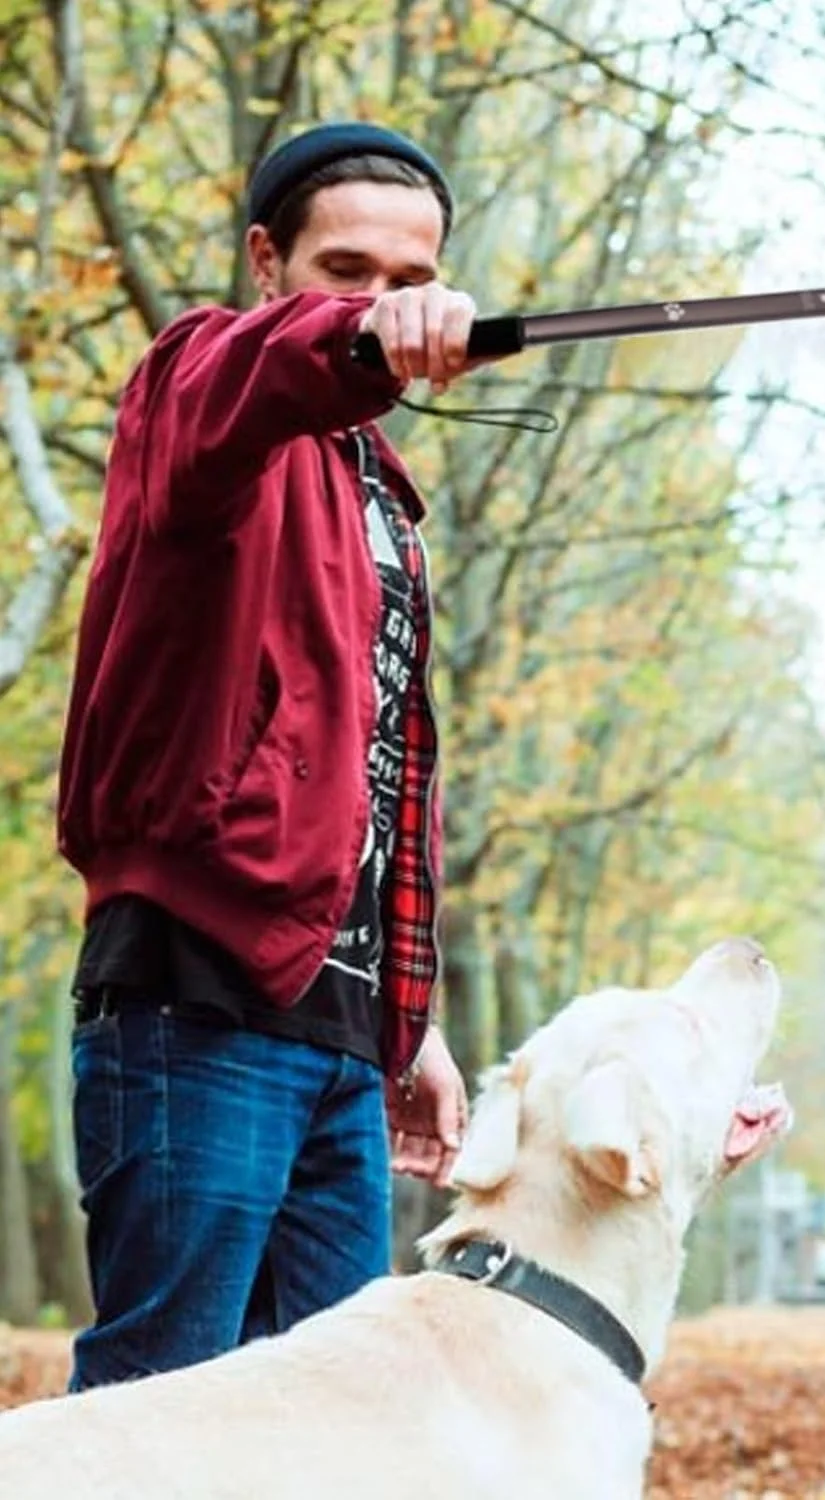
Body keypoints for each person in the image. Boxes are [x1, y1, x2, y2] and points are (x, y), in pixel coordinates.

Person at [54, 122, 480, 1390]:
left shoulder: (383, 500)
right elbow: (248, 376)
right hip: (197, 1005)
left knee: (337, 1431)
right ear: (266, 262)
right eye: (347, 271)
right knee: (162, 1418)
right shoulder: (199, 393)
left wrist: (411, 1026)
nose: (382, 308)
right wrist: (348, 339)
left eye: (413, 284)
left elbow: (367, 774)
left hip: (343, 1041)